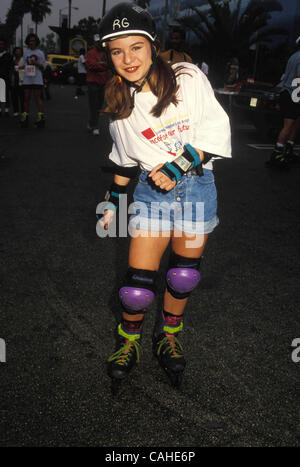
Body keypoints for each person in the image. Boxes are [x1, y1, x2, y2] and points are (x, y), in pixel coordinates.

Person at [97, 3, 231, 392]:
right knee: (138, 285)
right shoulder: (120, 104)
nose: (127, 58)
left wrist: (178, 166)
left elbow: (214, 130)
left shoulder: (187, 77)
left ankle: (168, 336)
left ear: (152, 46)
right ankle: (129, 342)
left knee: (184, 277)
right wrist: (111, 201)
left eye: (135, 47)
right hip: (151, 194)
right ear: (109, 56)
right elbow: (123, 163)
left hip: (197, 187)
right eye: (117, 51)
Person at [266, 36, 300, 169]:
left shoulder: (293, 56)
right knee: (288, 125)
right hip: (293, 93)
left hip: (287, 92)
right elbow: (298, 79)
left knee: (294, 123)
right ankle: (277, 154)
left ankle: (287, 149)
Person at [19, 33, 46, 128]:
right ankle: (25, 116)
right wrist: (21, 67)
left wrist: (36, 63)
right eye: (30, 41)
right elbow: (26, 64)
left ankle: (40, 117)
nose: (31, 42)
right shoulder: (26, 52)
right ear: (28, 42)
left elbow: (43, 68)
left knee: (37, 98)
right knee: (26, 98)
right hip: (27, 78)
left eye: (33, 41)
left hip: (37, 79)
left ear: (36, 42)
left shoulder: (40, 53)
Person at [85, 34, 108, 135]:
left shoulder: (105, 53)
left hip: (102, 82)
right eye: (98, 42)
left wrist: (101, 65)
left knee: (99, 106)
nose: (99, 44)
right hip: (93, 82)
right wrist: (103, 66)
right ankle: (95, 126)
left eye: (101, 42)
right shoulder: (90, 53)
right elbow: (91, 65)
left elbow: (108, 64)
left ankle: (91, 123)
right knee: (93, 105)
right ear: (94, 42)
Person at [0, 36, 13, 117]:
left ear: (4, 45)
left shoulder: (8, 55)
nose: (0, 45)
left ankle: (7, 110)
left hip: (5, 77)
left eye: (2, 44)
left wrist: (10, 77)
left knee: (6, 94)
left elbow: (11, 67)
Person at [11, 47, 25, 117]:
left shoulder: (24, 60)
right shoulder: (12, 60)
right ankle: (16, 111)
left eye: (19, 51)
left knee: (22, 97)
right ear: (14, 52)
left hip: (22, 80)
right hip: (14, 80)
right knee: (14, 96)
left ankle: (23, 111)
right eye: (17, 51)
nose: (18, 53)